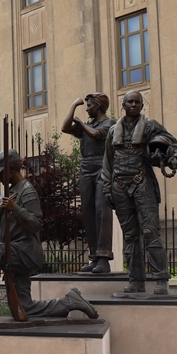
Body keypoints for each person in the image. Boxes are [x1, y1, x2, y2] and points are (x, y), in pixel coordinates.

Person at [0, 148, 99, 321]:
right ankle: (69, 301)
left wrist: (15, 209)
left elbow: (36, 224)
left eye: (0, 173)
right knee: (24, 308)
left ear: (13, 168)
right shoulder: (5, 194)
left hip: (25, 251)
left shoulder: (27, 191)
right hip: (13, 250)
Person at [101, 91, 177, 295]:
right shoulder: (112, 131)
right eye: (130, 102)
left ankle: (161, 279)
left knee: (150, 232)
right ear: (123, 104)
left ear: (142, 106)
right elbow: (107, 163)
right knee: (130, 236)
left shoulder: (150, 125)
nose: (134, 105)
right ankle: (136, 280)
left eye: (137, 102)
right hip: (119, 186)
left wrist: (173, 158)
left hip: (142, 183)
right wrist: (107, 188)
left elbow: (172, 143)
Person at [62, 93, 116, 274]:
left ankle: (104, 258)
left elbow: (95, 134)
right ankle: (94, 257)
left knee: (102, 210)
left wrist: (81, 123)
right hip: (86, 166)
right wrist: (73, 105)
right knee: (87, 210)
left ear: (99, 107)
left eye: (89, 106)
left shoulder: (109, 124)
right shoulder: (87, 125)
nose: (87, 109)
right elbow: (64, 127)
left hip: (102, 165)